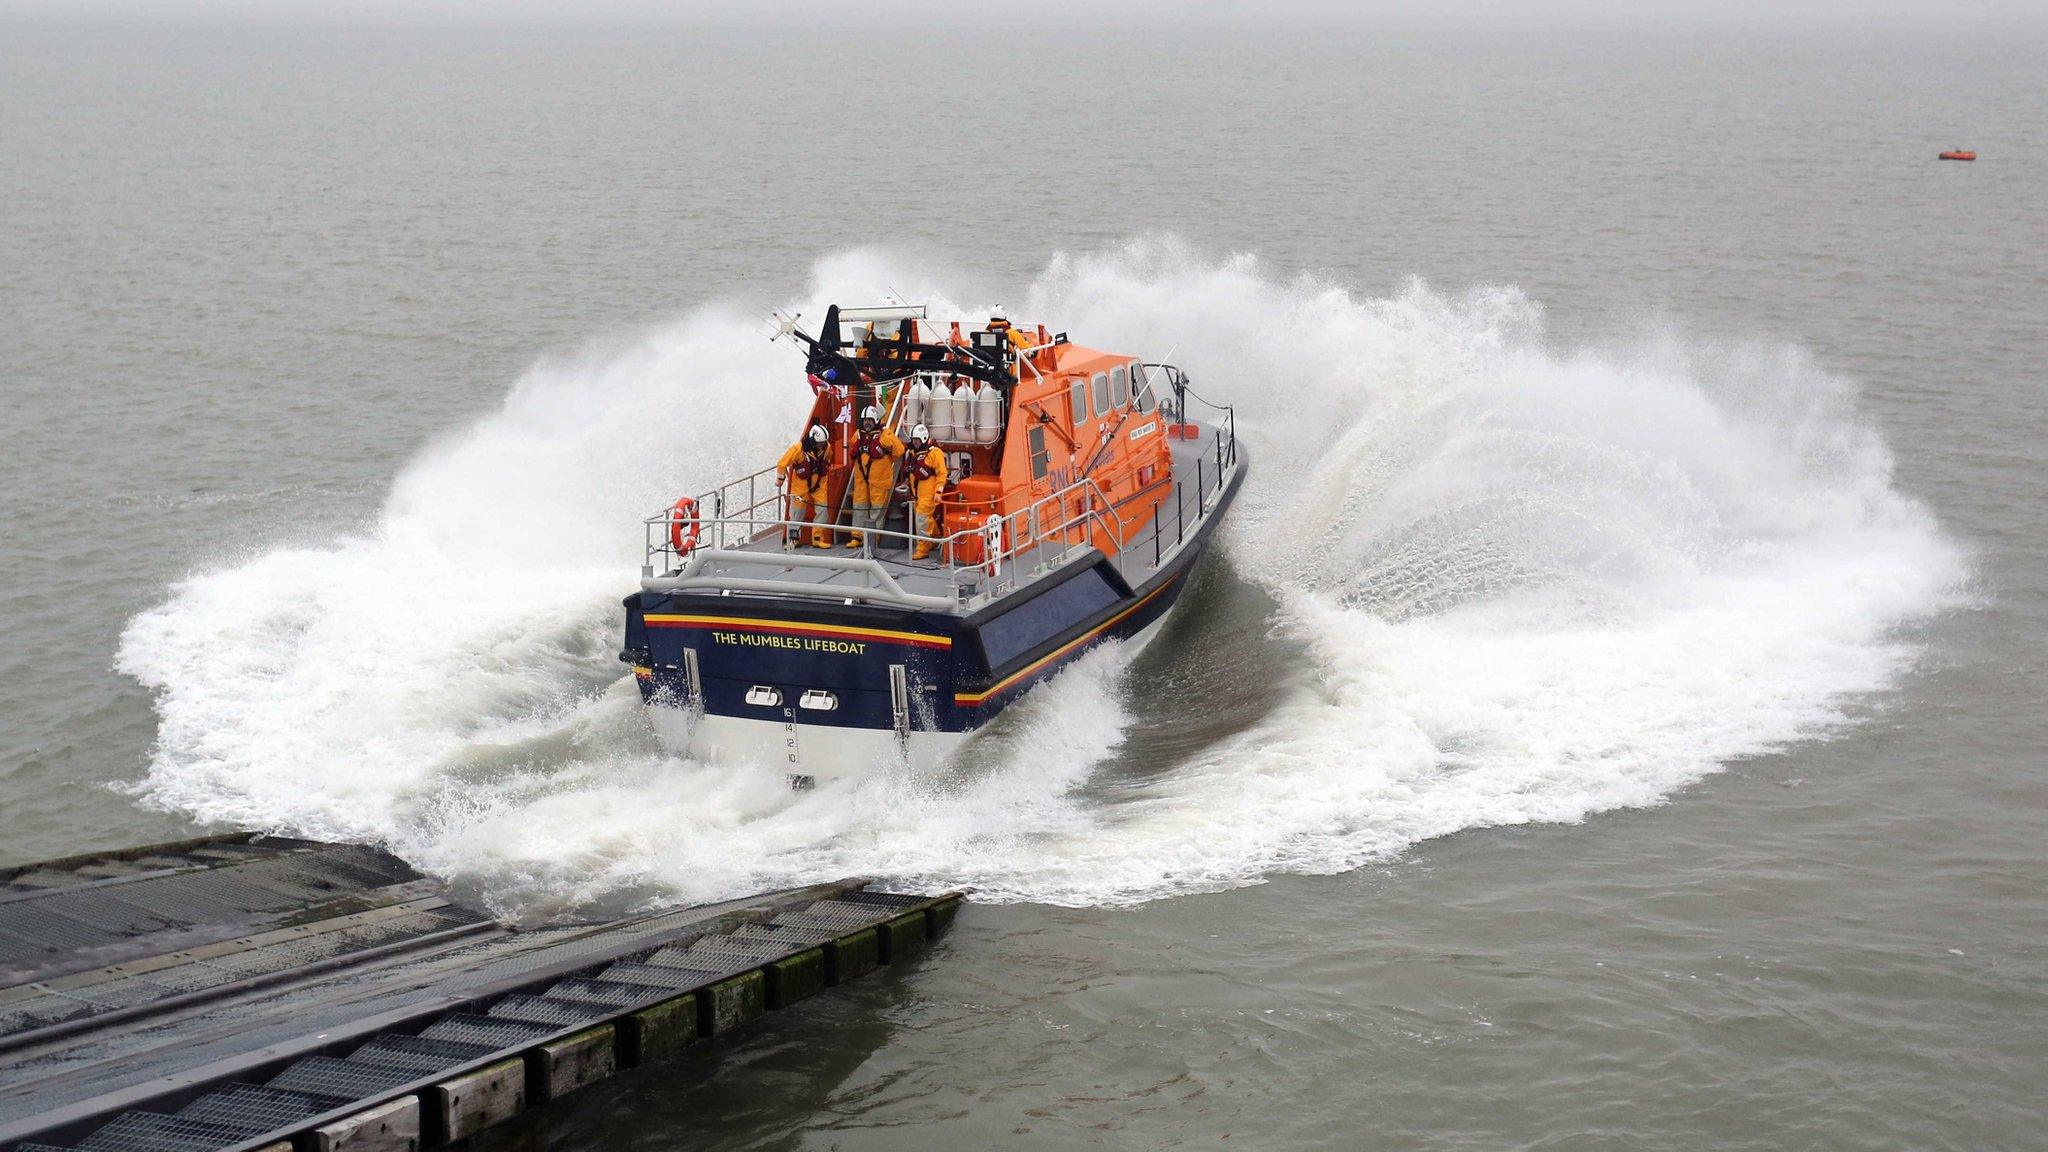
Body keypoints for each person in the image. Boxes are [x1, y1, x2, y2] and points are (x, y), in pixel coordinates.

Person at [843, 404, 903, 548]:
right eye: (865, 420)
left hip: (879, 481)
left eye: (870, 420)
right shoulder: (858, 435)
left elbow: (899, 450)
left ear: (876, 420)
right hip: (861, 480)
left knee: (877, 511)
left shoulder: (885, 434)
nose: (867, 423)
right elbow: (853, 446)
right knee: (859, 507)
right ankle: (856, 537)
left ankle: (872, 539)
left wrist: (886, 458)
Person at [776, 424, 833, 548]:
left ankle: (818, 539)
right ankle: (794, 539)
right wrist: (780, 478)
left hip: (819, 486)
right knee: (796, 514)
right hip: (800, 487)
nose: (822, 445)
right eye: (820, 443)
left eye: (824, 442)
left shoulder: (827, 448)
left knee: (822, 511)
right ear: (812, 440)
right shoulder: (798, 449)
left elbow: (828, 458)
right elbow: (782, 464)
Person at [904, 424, 948, 560]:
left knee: (922, 520)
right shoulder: (913, 454)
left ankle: (922, 549)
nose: (914, 442)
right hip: (917, 494)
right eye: (913, 440)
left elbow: (942, 474)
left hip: (928, 494)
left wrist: (938, 492)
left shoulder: (934, 453)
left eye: (917, 440)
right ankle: (934, 538)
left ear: (923, 438)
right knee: (925, 519)